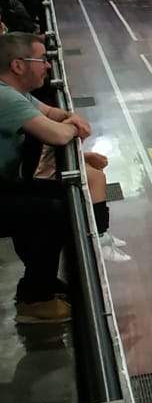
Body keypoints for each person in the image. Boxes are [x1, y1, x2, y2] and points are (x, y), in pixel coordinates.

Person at [1, 31, 91, 322]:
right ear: (18, 65)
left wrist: (67, 118)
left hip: (5, 185)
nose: (47, 66)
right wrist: (72, 126)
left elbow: (51, 112)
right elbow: (55, 133)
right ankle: (34, 300)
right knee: (51, 212)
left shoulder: (15, 92)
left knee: (51, 197)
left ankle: (40, 282)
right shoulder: (4, 97)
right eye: (41, 59)